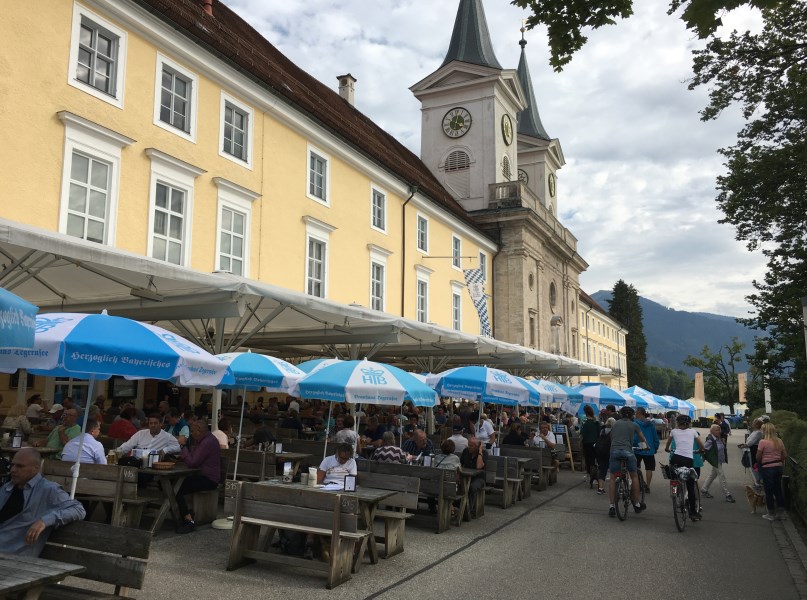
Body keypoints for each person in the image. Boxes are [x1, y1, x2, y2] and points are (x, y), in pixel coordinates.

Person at [0, 448, 86, 556]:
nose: (13, 470)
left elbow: (78, 509)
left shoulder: (49, 490)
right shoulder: (7, 487)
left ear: (36, 468)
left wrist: (44, 521)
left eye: (20, 466)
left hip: (13, 557)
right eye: (12, 465)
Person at [175, 420, 222, 533]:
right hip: (204, 476)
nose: (191, 433)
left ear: (199, 430)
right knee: (176, 484)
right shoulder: (206, 440)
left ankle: (188, 520)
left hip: (209, 479)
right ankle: (186, 513)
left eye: (193, 431)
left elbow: (192, 463)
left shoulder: (207, 442)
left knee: (177, 488)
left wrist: (183, 446)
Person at [607, 406, 648, 517]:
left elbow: (611, 437)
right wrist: (645, 447)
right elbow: (642, 438)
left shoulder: (615, 424)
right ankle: (636, 503)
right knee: (634, 476)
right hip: (627, 451)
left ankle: (611, 506)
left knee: (612, 477)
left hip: (614, 451)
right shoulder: (634, 424)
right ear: (631, 415)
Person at [665, 414, 705, 521]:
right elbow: (701, 444)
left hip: (675, 458)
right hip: (688, 460)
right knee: (690, 485)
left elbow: (668, 443)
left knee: (675, 474)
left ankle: (676, 489)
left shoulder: (673, 431)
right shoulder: (693, 432)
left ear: (678, 423)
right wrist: (701, 450)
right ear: (689, 423)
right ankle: (692, 512)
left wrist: (666, 449)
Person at [757, 422, 787, 521]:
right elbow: (784, 455)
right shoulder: (779, 441)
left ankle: (771, 513)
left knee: (768, 491)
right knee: (778, 489)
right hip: (778, 467)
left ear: (765, 431)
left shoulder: (763, 442)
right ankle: (781, 512)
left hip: (767, 467)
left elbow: (758, 457)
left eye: (762, 430)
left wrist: (762, 461)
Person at [116, 414, 181, 457]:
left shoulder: (167, 436)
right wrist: (115, 453)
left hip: (153, 465)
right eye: (151, 423)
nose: (153, 425)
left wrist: (166, 450)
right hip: (136, 462)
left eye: (155, 423)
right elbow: (127, 446)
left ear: (161, 424)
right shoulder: (140, 433)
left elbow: (178, 447)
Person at [701, 424, 735, 503]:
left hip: (719, 460)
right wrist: (702, 458)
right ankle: (727, 495)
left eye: (719, 430)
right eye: (716, 430)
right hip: (715, 461)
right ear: (712, 431)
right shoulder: (710, 440)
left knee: (712, 475)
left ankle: (704, 489)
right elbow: (703, 449)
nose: (718, 431)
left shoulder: (718, 438)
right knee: (722, 476)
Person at [459, 436, 487, 517]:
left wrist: (480, 452)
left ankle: (468, 510)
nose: (469, 447)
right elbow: (460, 464)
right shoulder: (465, 451)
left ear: (478, 446)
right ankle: (459, 507)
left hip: (479, 478)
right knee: (458, 485)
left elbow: (479, 466)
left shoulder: (483, 453)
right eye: (468, 445)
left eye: (471, 446)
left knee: (472, 487)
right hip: (466, 476)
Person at [633, 407, 659, 493]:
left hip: (638, 448)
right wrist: (656, 447)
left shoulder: (635, 423)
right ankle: (647, 486)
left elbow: (633, 436)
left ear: (640, 413)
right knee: (649, 468)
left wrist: (633, 444)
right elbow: (655, 436)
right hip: (649, 449)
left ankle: (637, 484)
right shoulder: (651, 424)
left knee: (635, 467)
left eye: (636, 413)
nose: (635, 414)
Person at [580, 404, 601, 489]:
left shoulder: (585, 422)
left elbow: (582, 434)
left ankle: (590, 474)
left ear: (585, 412)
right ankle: (598, 475)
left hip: (587, 443)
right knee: (597, 459)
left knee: (589, 460)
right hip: (596, 443)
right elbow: (599, 432)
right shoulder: (596, 421)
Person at [594, 417, 615, 495]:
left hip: (601, 452)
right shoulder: (614, 431)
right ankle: (615, 489)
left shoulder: (602, 430)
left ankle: (600, 488)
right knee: (614, 471)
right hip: (610, 452)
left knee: (602, 470)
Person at [741, 418, 764, 488]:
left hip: (755, 449)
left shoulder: (758, 432)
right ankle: (758, 481)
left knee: (755, 465)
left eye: (754, 422)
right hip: (751, 449)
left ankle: (758, 482)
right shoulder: (755, 431)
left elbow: (751, 442)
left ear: (757, 424)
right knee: (753, 465)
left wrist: (745, 445)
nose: (752, 423)